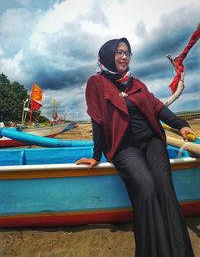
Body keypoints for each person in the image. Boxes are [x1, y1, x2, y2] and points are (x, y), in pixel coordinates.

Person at [76, 37, 195, 257]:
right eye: (119, 52)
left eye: (127, 53)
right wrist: (96, 155)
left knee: (165, 188)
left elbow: (157, 107)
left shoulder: (137, 83)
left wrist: (182, 126)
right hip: (123, 147)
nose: (124, 56)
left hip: (152, 142)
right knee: (146, 186)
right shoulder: (97, 82)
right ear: (107, 55)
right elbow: (97, 120)